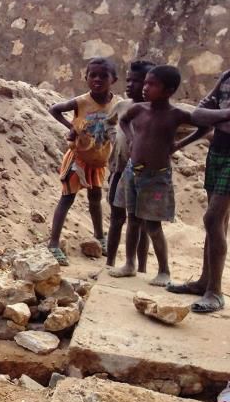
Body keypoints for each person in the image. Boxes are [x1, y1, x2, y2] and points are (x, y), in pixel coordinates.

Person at [108, 66, 230, 285]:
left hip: (157, 177)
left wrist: (179, 144)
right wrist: (131, 137)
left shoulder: (176, 115)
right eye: (145, 83)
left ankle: (164, 270)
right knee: (133, 219)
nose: (145, 88)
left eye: (151, 84)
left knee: (153, 225)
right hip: (132, 172)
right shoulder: (139, 110)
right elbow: (123, 121)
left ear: (169, 91)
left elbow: (202, 126)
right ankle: (129, 263)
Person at [46, 58, 120, 266]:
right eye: (92, 75)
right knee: (67, 198)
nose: (97, 79)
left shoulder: (117, 104)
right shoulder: (81, 101)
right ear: (86, 78)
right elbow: (54, 109)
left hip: (99, 160)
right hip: (78, 158)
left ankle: (100, 237)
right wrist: (71, 126)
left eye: (103, 75)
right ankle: (53, 243)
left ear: (113, 79)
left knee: (95, 198)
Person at [168, 68, 230, 312]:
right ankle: (205, 281)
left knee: (212, 218)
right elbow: (199, 114)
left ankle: (215, 292)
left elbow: (206, 114)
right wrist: (225, 114)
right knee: (219, 221)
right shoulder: (227, 77)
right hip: (218, 151)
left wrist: (215, 116)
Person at [106, 60, 154, 271]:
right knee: (116, 218)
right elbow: (109, 123)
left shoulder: (154, 111)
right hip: (118, 170)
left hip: (143, 174)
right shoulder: (121, 106)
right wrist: (112, 140)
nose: (131, 85)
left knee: (142, 223)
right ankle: (109, 264)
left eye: (138, 81)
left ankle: (141, 268)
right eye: (129, 80)